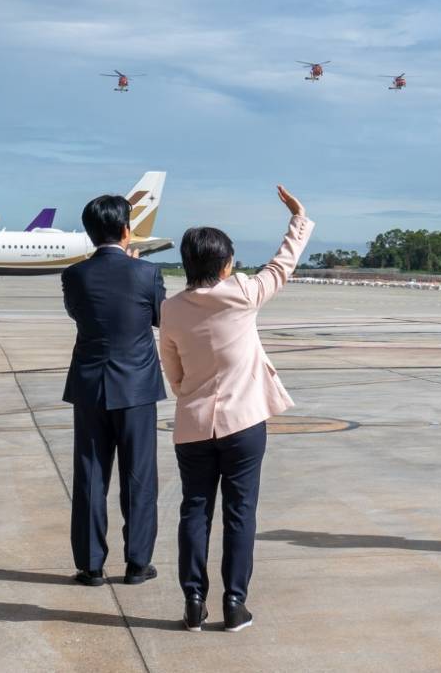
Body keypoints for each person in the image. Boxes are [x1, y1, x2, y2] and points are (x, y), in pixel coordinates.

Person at [160, 185, 312, 632]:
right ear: (226, 265)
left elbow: (172, 369)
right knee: (240, 511)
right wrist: (298, 219)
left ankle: (192, 600)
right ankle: (233, 601)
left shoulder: (170, 309)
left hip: (192, 425)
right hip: (243, 423)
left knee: (194, 508)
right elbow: (283, 264)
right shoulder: (243, 293)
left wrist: (190, 394)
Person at [61, 193, 167, 587]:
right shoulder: (147, 273)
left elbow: (77, 313)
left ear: (90, 234)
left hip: (90, 386)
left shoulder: (75, 275)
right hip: (136, 387)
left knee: (90, 475)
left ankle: (90, 565)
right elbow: (159, 319)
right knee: (138, 475)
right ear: (126, 230)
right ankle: (138, 562)